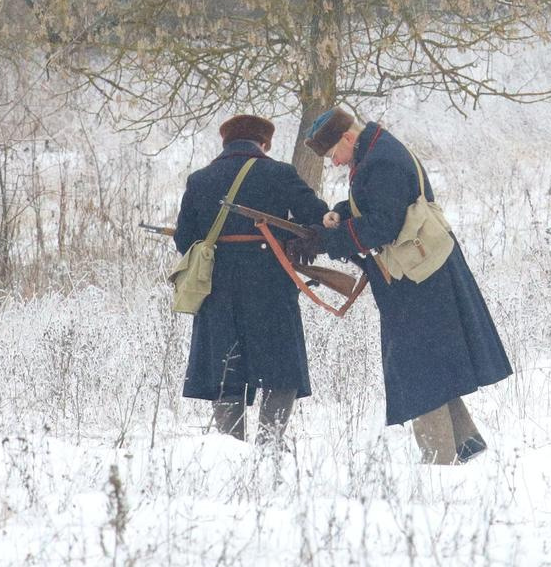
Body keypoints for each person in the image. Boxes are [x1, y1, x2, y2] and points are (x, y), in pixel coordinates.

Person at [306, 107, 512, 464]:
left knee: (417, 368)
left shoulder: (380, 161)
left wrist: (331, 240)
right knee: (430, 363)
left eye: (333, 155)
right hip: (422, 275)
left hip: (420, 279)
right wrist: (341, 212)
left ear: (347, 138)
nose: (335, 163)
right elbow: (377, 204)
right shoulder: (376, 151)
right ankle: (467, 445)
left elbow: (383, 225)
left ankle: (438, 462)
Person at [173, 114, 332, 444]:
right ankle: (268, 446)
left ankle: (233, 450)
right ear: (265, 143)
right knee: (280, 370)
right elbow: (317, 217)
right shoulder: (280, 173)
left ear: (226, 142)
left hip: (217, 288)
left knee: (225, 370)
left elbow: (184, 239)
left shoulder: (199, 180)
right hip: (270, 285)